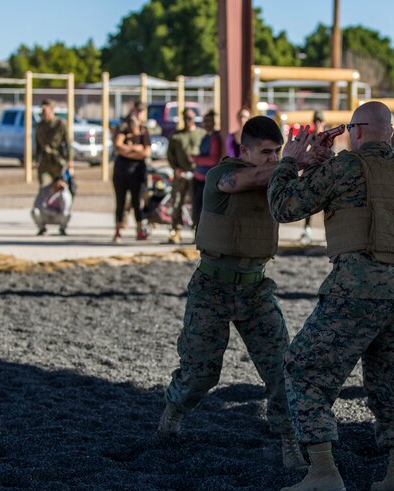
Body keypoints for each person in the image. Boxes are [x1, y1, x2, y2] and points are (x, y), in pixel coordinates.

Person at [268, 101, 394, 491]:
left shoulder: (345, 167)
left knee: (303, 370)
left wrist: (291, 161)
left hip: (357, 289)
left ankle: (322, 471)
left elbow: (284, 206)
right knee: (389, 381)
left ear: (355, 131)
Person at [156, 116, 330, 471]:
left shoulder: (278, 177)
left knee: (283, 369)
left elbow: (301, 195)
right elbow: (244, 181)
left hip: (255, 290)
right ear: (244, 150)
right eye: (265, 152)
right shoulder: (223, 176)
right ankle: (173, 411)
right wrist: (293, 162)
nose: (272, 158)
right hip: (212, 288)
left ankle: (288, 440)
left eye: (277, 151)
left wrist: (317, 160)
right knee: (200, 374)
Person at [166, 108, 205, 244]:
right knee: (177, 202)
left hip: (197, 175)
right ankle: (176, 230)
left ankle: (197, 231)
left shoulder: (202, 134)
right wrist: (176, 168)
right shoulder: (176, 136)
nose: (189, 120)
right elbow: (170, 154)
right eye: (186, 118)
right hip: (181, 174)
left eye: (191, 118)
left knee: (197, 204)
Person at [112, 108, 151, 242]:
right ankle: (117, 231)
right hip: (121, 171)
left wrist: (127, 149)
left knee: (137, 202)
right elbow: (117, 146)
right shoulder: (122, 131)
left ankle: (139, 230)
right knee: (120, 202)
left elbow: (146, 153)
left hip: (137, 172)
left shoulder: (144, 133)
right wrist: (135, 149)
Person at [191, 110, 222, 229]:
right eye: (206, 121)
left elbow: (213, 159)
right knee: (196, 208)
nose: (207, 123)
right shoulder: (205, 137)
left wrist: (196, 159)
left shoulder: (214, 138)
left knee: (203, 208)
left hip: (206, 177)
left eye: (210, 121)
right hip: (198, 176)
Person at [301, 111, 326, 245]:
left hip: (323, 173)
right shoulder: (310, 137)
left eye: (319, 121)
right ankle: (307, 231)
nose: (317, 123)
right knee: (308, 204)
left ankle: (326, 232)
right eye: (316, 121)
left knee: (327, 204)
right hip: (311, 173)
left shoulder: (327, 137)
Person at [35, 98, 70, 187]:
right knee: (44, 188)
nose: (43, 113)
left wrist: (69, 160)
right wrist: (36, 160)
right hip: (44, 162)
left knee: (59, 188)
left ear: (51, 110)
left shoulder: (60, 124)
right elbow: (38, 145)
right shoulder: (39, 126)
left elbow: (68, 143)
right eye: (42, 111)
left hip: (58, 161)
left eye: (45, 110)